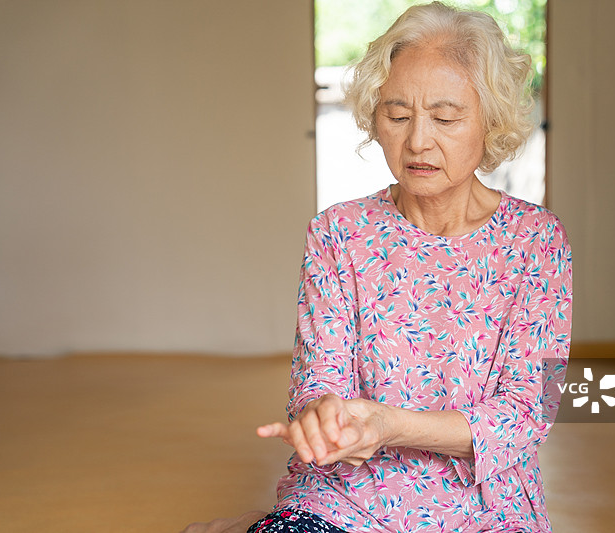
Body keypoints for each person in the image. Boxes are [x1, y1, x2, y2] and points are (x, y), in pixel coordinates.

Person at [182, 2, 571, 532]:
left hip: (486, 509)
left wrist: (387, 424)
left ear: (492, 118)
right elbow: (317, 383)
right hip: (347, 500)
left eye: (446, 117)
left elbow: (528, 413)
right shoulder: (337, 234)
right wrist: (324, 418)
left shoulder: (537, 241)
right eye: (397, 115)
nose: (417, 141)